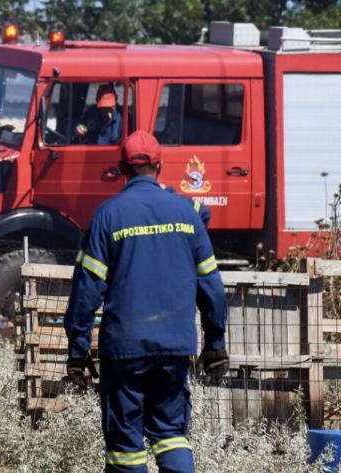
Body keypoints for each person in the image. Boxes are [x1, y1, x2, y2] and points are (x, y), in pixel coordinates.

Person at [64, 131, 229, 473]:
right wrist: (215, 343)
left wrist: (77, 350)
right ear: (160, 165)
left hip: (125, 350)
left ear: (121, 167)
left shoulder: (107, 216)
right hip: (175, 346)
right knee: (171, 434)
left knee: (125, 446)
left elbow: (87, 290)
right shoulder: (187, 215)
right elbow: (211, 286)